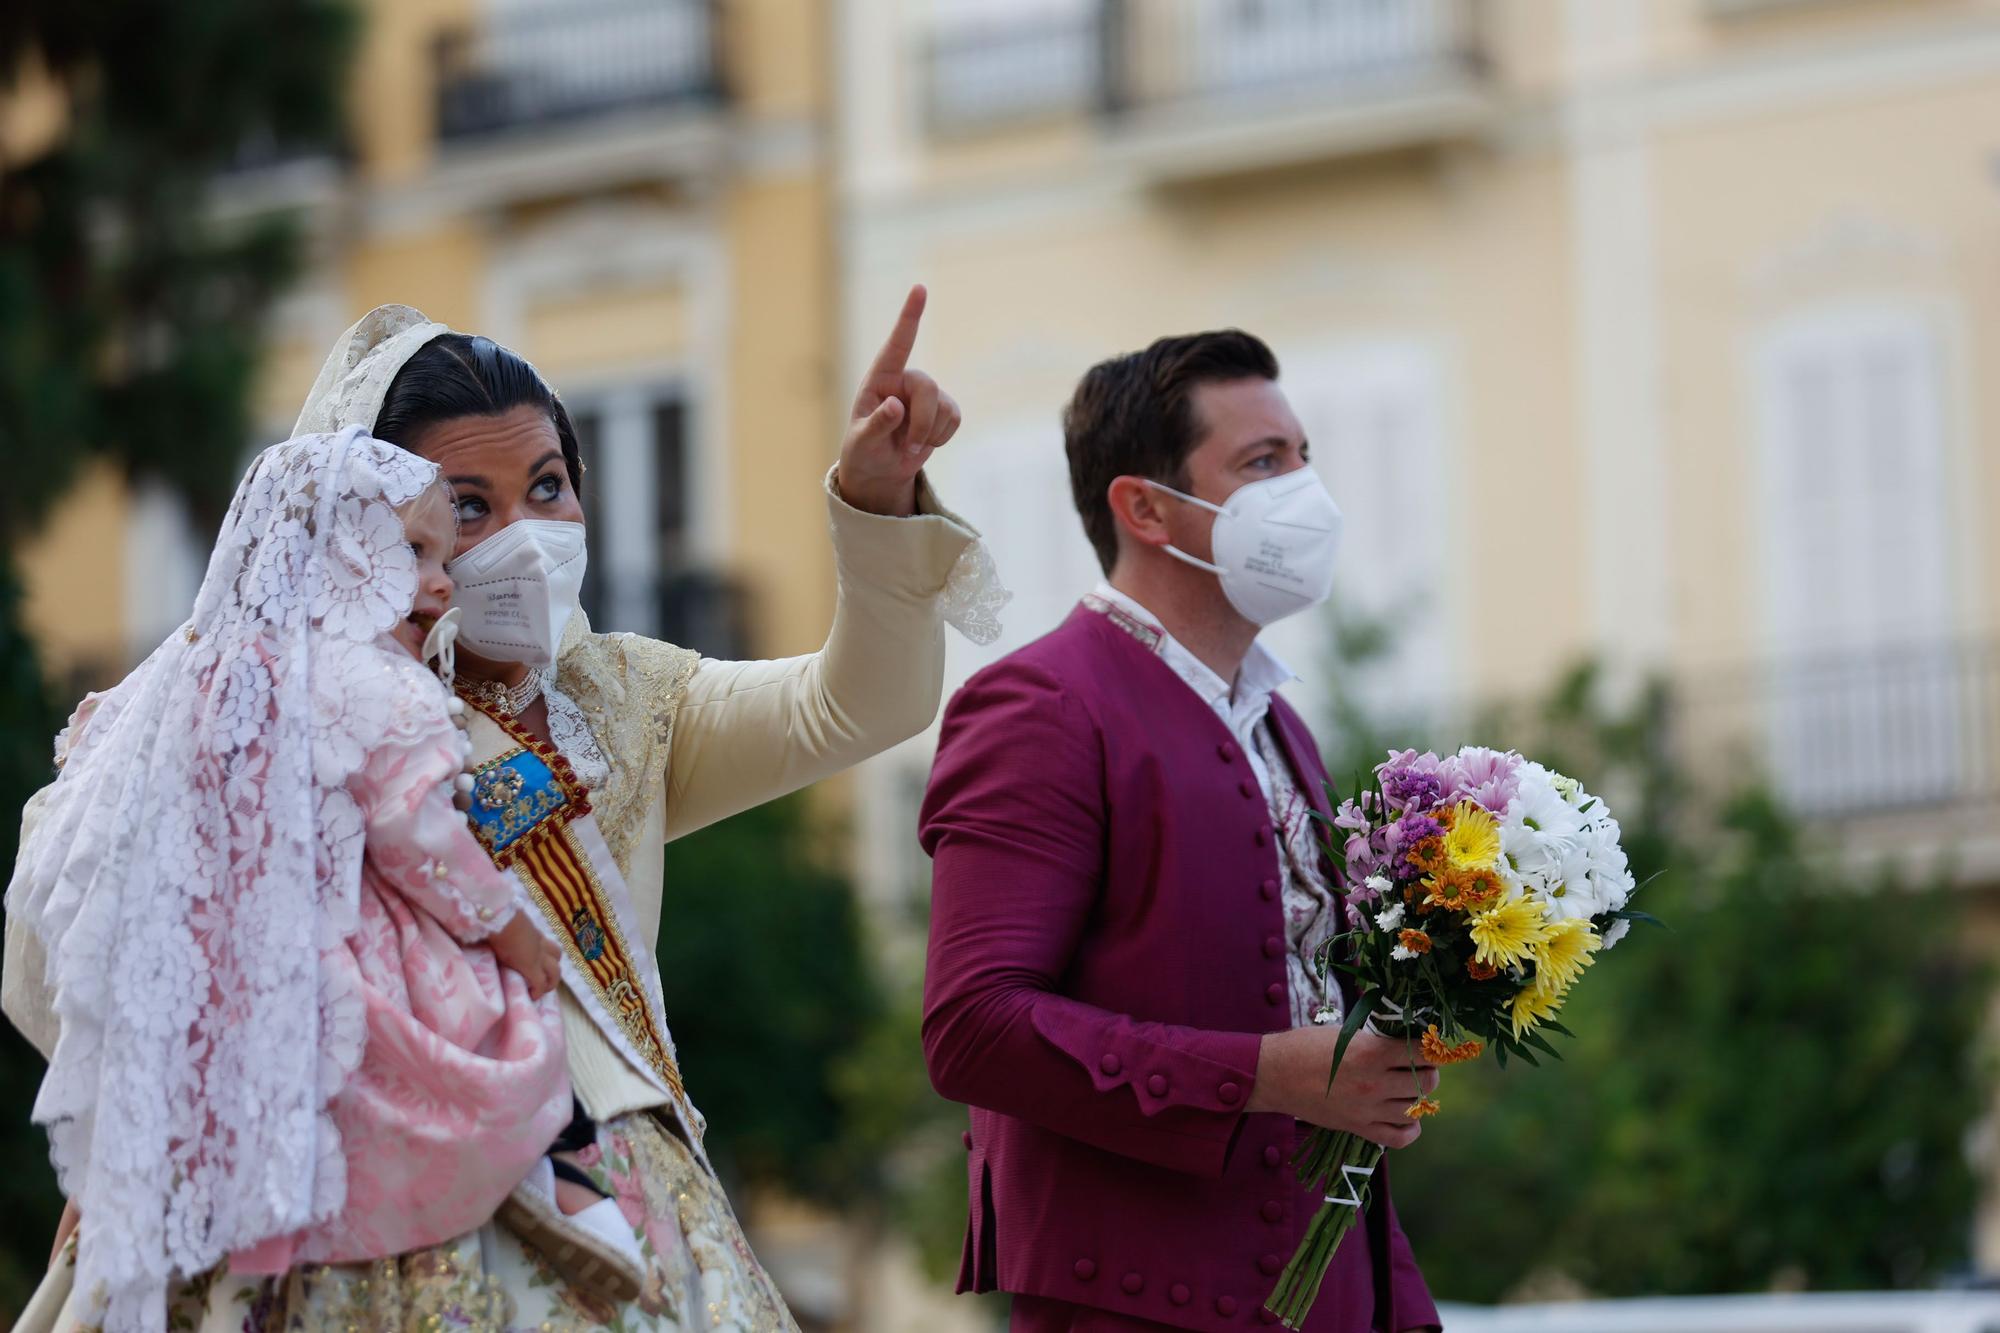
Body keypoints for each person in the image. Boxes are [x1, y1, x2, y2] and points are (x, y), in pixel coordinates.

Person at [6, 290, 1003, 1331]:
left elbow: (861, 702)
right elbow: (68, 939)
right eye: (468, 507)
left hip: (600, 1168)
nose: (521, 537)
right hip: (320, 1196)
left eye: (548, 486)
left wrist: (874, 500)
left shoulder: (622, 702)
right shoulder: (271, 709)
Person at [918, 331, 1440, 1331]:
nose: (1302, 490)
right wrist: (1269, 1073)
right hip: (1132, 1301)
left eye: (1301, 458)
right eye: (1260, 464)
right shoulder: (1039, 704)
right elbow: (972, 1028)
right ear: (1145, 508)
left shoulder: (1279, 722)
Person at [5, 431, 576, 1332]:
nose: (442, 580)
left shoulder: (215, 671)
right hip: (340, 974)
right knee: (470, 1069)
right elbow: (419, 834)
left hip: (231, 984)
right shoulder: (372, 683)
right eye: (413, 552)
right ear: (339, 557)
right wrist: (508, 925)